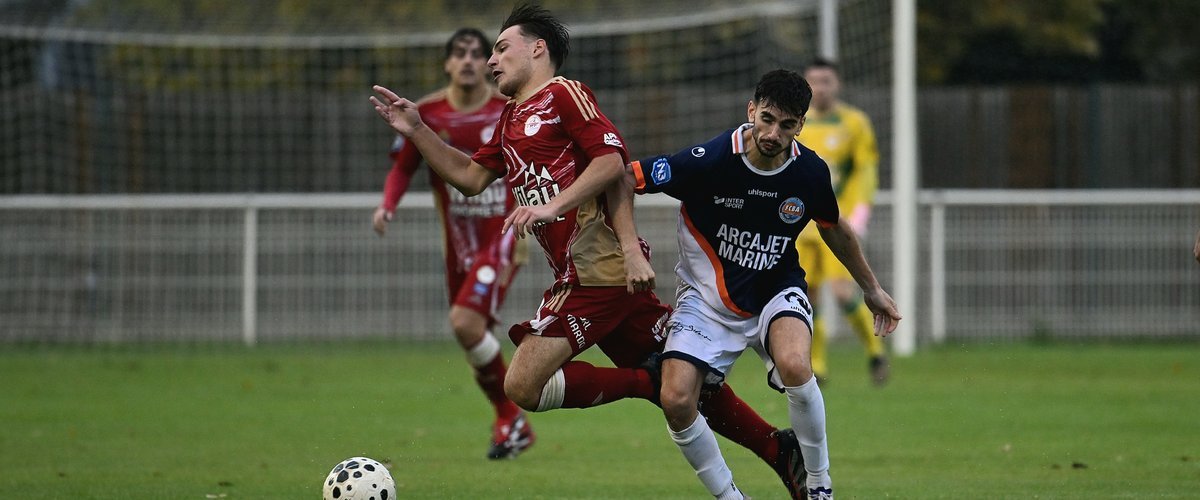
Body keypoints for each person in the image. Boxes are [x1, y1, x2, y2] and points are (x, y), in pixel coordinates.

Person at [372, 5, 809, 497]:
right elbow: (470, 178)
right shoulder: (511, 119)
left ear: (538, 49)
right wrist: (418, 130)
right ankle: (777, 448)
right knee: (682, 385)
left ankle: (644, 383)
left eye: (501, 48)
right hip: (598, 276)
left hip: (596, 271)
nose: (492, 60)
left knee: (523, 385)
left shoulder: (564, 94)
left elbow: (611, 162)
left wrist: (578, 221)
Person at [626, 69, 902, 499]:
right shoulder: (710, 159)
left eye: (787, 125)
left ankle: (819, 485)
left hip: (775, 290)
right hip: (705, 301)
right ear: (751, 110)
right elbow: (627, 177)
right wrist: (628, 248)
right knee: (676, 399)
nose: (773, 134)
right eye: (767, 119)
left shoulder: (808, 172)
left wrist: (872, 288)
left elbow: (833, 227)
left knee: (795, 364)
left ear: (801, 125)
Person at [371, 27, 533, 460]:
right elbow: (403, 167)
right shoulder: (425, 114)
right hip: (458, 246)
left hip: (503, 238)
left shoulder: (508, 110)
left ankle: (511, 414)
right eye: (459, 53)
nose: (468, 61)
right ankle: (510, 421)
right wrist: (387, 205)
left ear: (488, 63)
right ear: (447, 63)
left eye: (477, 53)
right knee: (472, 335)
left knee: (464, 324)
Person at [795, 58, 890, 386]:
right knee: (808, 296)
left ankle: (876, 352)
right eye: (814, 81)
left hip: (838, 222)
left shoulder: (854, 122)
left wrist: (860, 212)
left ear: (837, 84)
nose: (820, 88)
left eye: (826, 81)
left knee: (841, 292)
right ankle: (818, 366)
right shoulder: (795, 123)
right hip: (800, 226)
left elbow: (866, 170)